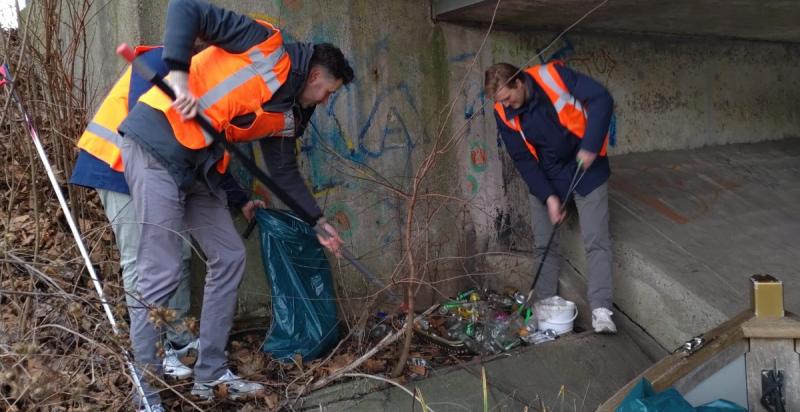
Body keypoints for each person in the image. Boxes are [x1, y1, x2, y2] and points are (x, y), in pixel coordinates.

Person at [117, 0, 353, 408]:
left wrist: (317, 221)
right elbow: (185, 8)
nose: (324, 101)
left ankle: (209, 375)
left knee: (229, 255)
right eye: (327, 93)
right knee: (162, 271)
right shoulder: (264, 44)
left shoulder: (286, 114)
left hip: (200, 168)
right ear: (315, 76)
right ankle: (146, 388)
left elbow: (284, 174)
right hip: (157, 145)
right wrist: (179, 79)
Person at [69, 45, 265, 381]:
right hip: (115, 165)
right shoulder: (160, 62)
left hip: (158, 171)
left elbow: (200, 146)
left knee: (179, 255)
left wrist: (237, 198)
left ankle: (178, 342)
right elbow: (154, 137)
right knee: (143, 262)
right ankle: (150, 355)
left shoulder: (202, 79)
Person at [484, 60, 617, 335]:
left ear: (518, 82)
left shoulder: (553, 77)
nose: (506, 105)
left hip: (586, 167)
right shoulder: (502, 110)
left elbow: (601, 98)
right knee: (544, 243)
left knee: (596, 241)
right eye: (501, 102)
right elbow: (522, 158)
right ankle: (546, 303)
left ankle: (602, 309)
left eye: (508, 98)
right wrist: (549, 197)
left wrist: (591, 146)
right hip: (547, 174)